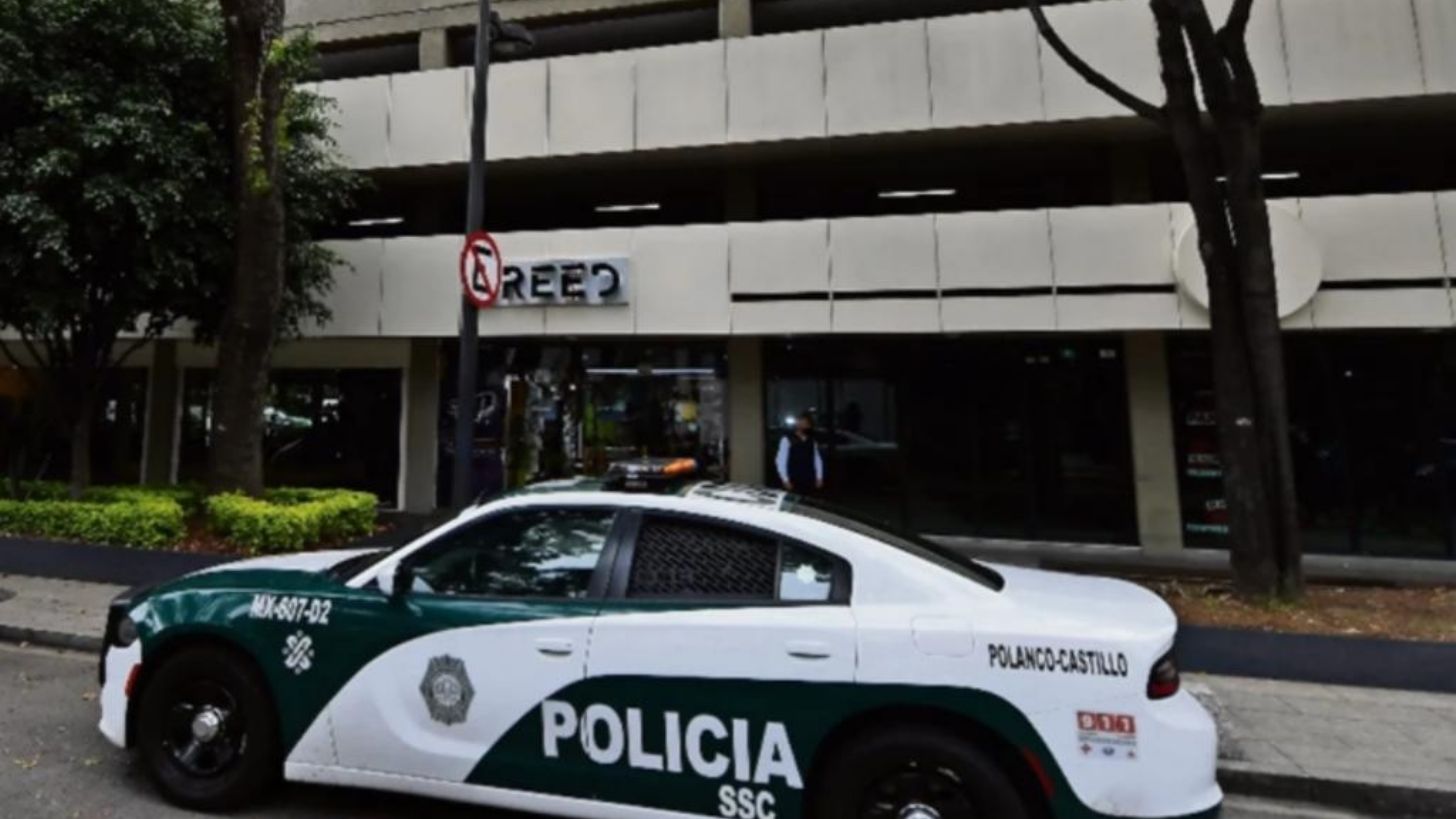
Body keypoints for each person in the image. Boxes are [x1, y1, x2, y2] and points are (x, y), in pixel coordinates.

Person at [775, 411, 824, 494]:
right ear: (797, 423)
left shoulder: (812, 440)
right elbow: (780, 461)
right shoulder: (787, 439)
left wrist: (819, 477)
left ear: (809, 425)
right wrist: (785, 480)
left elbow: (817, 459)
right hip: (793, 479)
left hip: (810, 479)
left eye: (806, 423)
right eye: (800, 422)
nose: (802, 425)